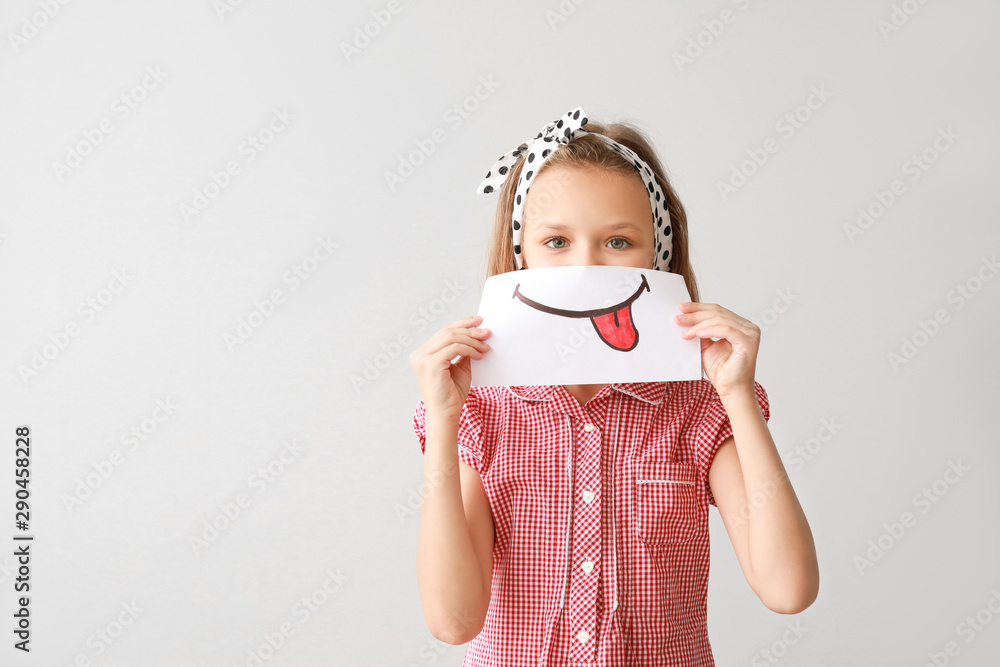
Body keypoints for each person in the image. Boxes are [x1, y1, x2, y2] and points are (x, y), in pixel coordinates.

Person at [408, 106, 819, 666]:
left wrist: (737, 394)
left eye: (619, 242)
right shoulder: (483, 412)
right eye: (556, 242)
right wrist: (442, 417)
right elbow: (453, 621)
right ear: (520, 253)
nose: (587, 268)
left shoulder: (698, 411)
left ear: (659, 254)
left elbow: (788, 589)